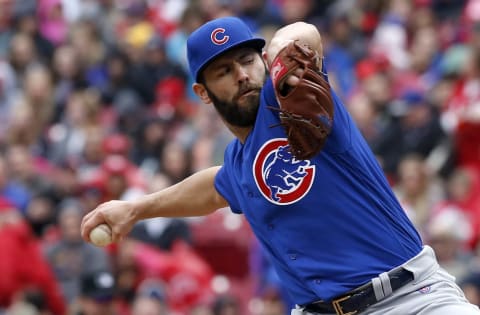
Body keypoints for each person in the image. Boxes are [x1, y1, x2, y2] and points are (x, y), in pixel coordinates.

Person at [81, 16, 480, 315]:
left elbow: (305, 34)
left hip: (410, 300)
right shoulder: (238, 165)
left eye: (247, 60)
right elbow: (213, 188)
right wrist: (136, 208)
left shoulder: (289, 99)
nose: (242, 75)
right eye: (224, 71)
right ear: (203, 93)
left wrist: (284, 49)